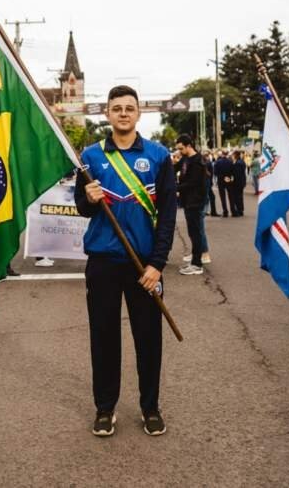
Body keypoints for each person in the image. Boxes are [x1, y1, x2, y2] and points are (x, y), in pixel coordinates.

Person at [74, 85, 176, 437]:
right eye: (116, 108)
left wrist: (157, 264)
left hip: (144, 265)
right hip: (102, 261)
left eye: (129, 108)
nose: (123, 113)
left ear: (138, 113)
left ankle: (150, 407)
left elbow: (167, 216)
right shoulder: (90, 156)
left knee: (148, 339)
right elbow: (82, 208)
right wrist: (88, 199)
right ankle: (105, 408)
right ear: (107, 113)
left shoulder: (159, 156)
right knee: (103, 338)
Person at [175, 134, 207, 275]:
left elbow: (192, 183)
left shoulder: (198, 161)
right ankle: (195, 258)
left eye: (181, 148)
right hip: (188, 201)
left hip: (195, 201)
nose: (179, 151)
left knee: (195, 232)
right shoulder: (186, 158)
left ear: (189, 146)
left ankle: (197, 264)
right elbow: (175, 167)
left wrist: (174, 187)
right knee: (192, 232)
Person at [213, 150, 235, 216]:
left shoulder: (218, 162)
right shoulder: (230, 161)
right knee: (231, 196)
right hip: (228, 179)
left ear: (222, 154)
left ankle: (225, 211)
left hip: (220, 180)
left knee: (222, 197)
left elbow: (215, 172)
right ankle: (233, 210)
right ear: (227, 154)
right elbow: (233, 171)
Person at [231, 150, 247, 216]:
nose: (232, 156)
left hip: (238, 182)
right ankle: (240, 209)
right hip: (241, 181)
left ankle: (239, 210)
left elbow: (237, 174)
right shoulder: (241, 162)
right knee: (240, 196)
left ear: (235, 155)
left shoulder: (238, 163)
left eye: (233, 155)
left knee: (237, 197)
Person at [203, 151, 219, 216]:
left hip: (206, 182)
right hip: (207, 182)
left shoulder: (204, 162)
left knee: (209, 197)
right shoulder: (207, 163)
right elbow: (209, 173)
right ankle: (207, 211)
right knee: (208, 197)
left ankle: (209, 211)